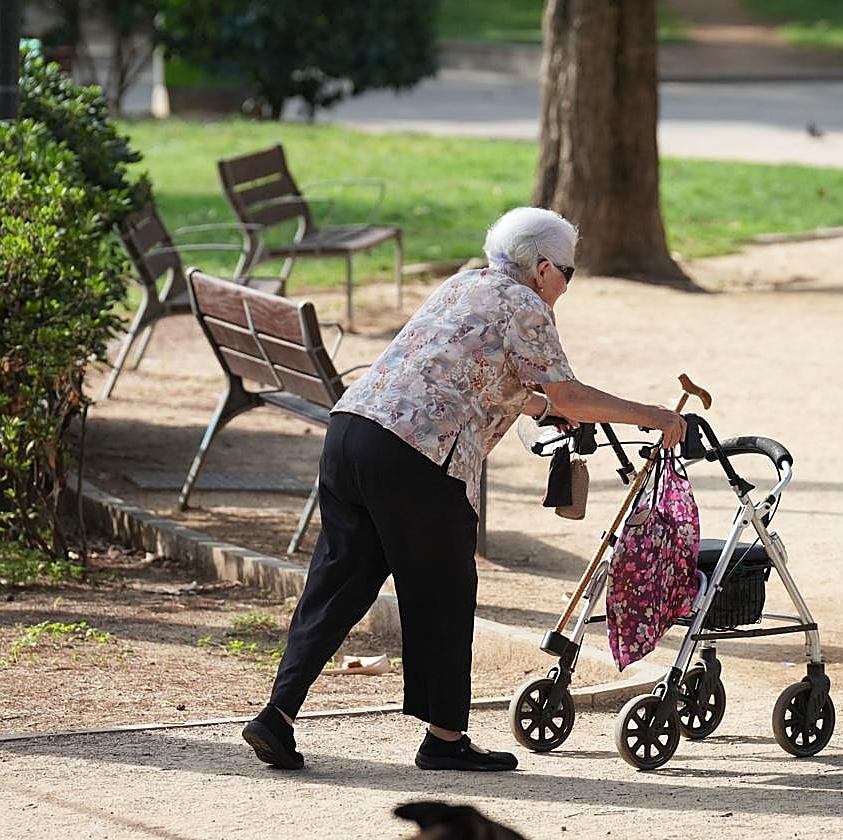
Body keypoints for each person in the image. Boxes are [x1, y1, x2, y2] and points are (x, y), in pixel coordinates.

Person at [242, 207, 687, 772]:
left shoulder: (465, 282)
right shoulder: (526, 302)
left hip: (353, 432)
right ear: (544, 267)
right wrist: (651, 415)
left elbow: (466, 369)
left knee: (338, 583)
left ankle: (276, 716)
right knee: (445, 590)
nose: (566, 286)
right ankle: (445, 739)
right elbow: (570, 395)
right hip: (416, 455)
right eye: (569, 274)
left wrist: (538, 405)